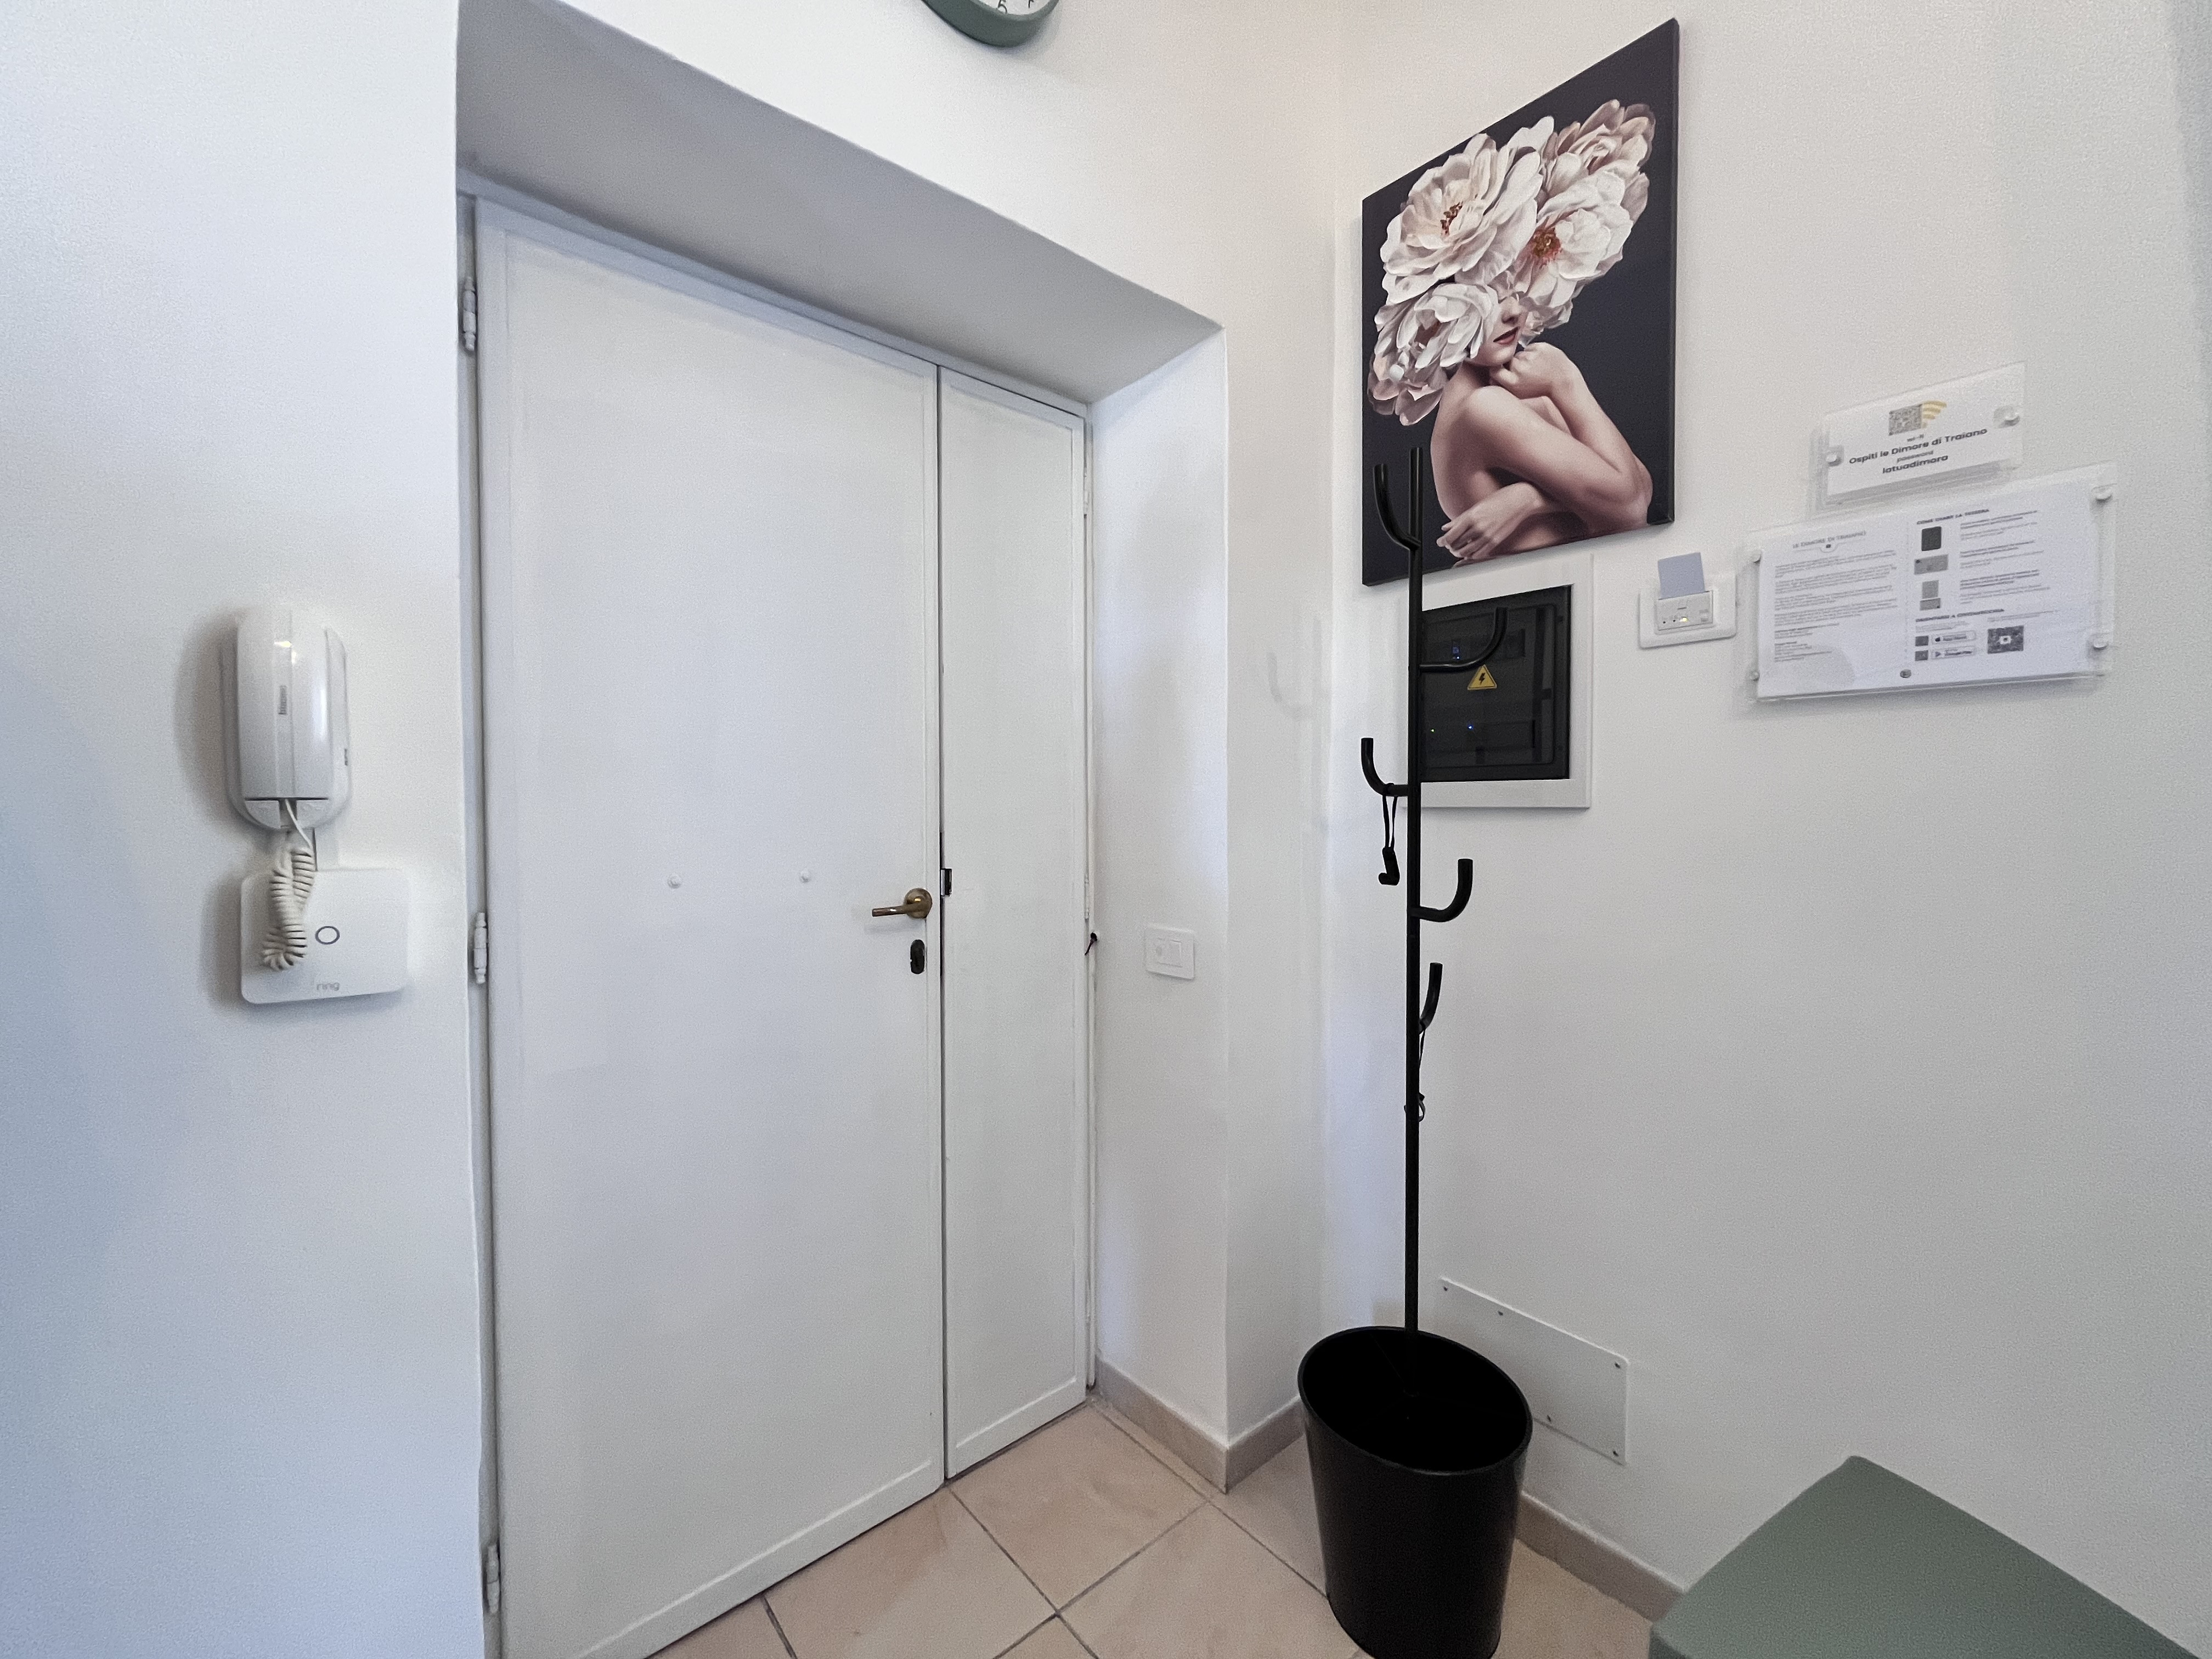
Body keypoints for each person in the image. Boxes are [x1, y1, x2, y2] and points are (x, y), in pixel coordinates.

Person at [1426, 292, 1652, 563]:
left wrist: (1529, 498)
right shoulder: (1483, 408)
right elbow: (1631, 507)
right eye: (1491, 298)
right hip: (1559, 580)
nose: (1513, 312)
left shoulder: (1514, 397)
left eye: (1517, 292)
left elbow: (1640, 485)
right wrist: (1566, 381)